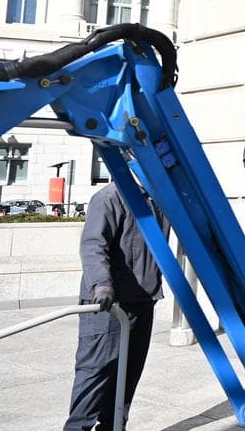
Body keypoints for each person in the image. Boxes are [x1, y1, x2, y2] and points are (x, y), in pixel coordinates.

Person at [64, 182, 166, 431]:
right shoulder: (110, 197)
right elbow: (92, 244)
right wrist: (102, 284)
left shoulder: (158, 197)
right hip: (108, 304)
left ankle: (114, 426)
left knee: (127, 376)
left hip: (142, 301)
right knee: (95, 373)